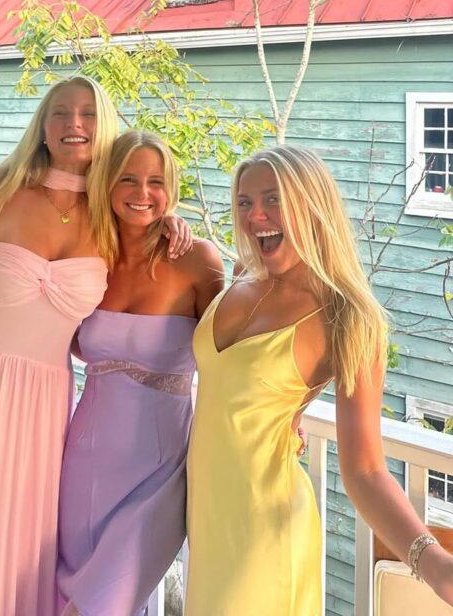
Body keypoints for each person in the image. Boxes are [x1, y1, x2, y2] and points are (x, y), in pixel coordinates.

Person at [0, 76, 191, 616]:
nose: (74, 124)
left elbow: (144, 233)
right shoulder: (5, 187)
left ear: (104, 126)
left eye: (88, 113)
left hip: (38, 407)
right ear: (42, 127)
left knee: (12, 551)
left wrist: (168, 218)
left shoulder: (113, 214)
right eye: (60, 112)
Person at [185, 145, 453, 615]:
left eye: (273, 199)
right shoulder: (244, 273)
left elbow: (365, 470)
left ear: (312, 205)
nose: (255, 216)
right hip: (207, 520)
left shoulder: (347, 318)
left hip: (265, 534)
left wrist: (433, 563)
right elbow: (238, 387)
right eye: (245, 202)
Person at [57, 131, 224, 616]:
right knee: (72, 589)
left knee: (106, 601)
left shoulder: (197, 260)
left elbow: (230, 359)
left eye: (156, 182)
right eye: (128, 179)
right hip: (85, 461)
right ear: (107, 184)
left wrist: (289, 411)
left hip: (161, 468)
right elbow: (63, 336)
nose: (143, 193)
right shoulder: (89, 257)